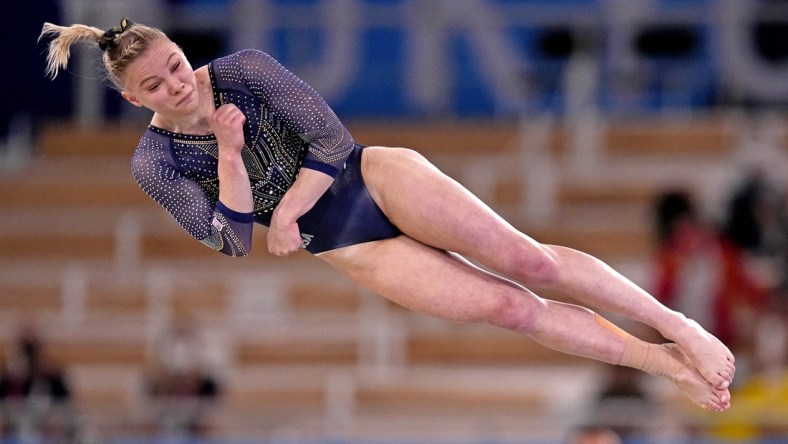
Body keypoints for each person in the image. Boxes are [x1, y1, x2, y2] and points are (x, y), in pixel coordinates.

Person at [38, 18, 735, 412]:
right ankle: (659, 361)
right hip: (346, 243)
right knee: (512, 310)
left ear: (182, 52)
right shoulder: (153, 162)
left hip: (373, 177)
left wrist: (288, 213)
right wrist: (227, 153)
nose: (177, 84)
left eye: (177, 64)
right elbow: (227, 239)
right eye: (154, 85)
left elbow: (333, 140)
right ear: (134, 99)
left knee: (531, 262)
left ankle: (681, 328)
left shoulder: (244, 69)